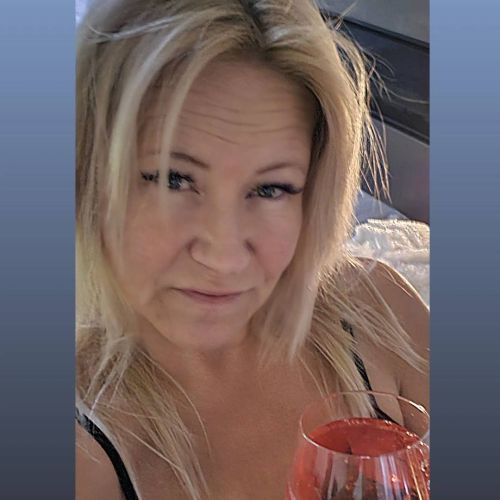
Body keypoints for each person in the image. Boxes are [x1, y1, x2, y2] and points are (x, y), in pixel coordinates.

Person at [75, 1, 429, 499]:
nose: (224, 257)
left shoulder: (379, 312)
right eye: (173, 179)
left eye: (270, 189)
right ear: (90, 179)